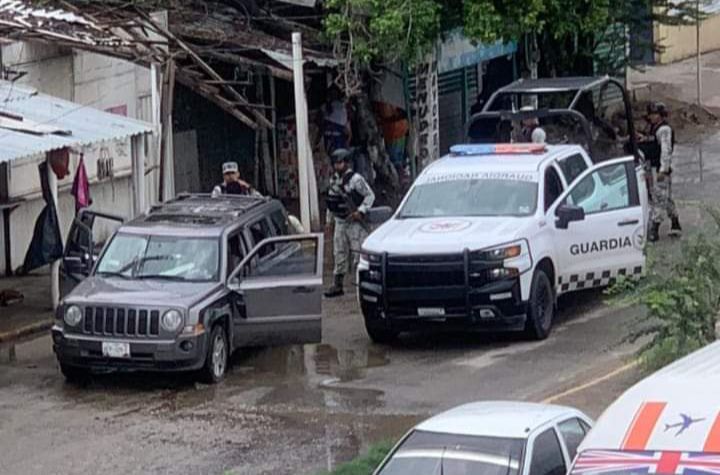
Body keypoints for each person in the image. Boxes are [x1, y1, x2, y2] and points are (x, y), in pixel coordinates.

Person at [324, 149, 375, 298]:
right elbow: (331, 202)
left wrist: (360, 211)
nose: (337, 166)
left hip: (354, 222)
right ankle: (338, 285)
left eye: (340, 162)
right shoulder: (333, 180)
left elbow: (370, 196)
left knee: (358, 253)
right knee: (339, 252)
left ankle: (362, 284)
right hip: (340, 221)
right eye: (335, 163)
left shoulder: (356, 180)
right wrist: (328, 222)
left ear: (346, 162)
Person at [638, 102, 681, 241]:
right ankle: (675, 223)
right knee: (665, 197)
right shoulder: (655, 128)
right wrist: (643, 138)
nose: (651, 116)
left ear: (661, 115)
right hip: (653, 167)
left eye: (654, 114)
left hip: (660, 170)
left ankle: (655, 229)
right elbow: (653, 141)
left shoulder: (664, 129)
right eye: (651, 114)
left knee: (658, 198)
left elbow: (665, 151)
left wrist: (663, 170)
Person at [322, 88, 352, 155]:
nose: (334, 95)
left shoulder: (343, 107)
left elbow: (349, 130)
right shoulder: (325, 106)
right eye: (332, 93)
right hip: (329, 136)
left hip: (339, 138)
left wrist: (347, 141)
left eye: (335, 93)